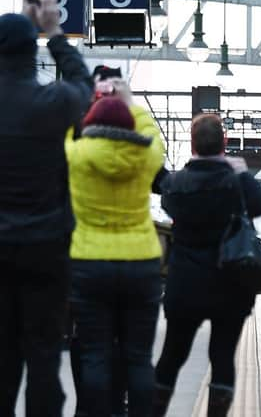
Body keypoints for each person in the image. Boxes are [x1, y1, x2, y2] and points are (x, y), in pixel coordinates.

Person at [0, 0, 93, 415]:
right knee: (43, 357)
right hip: (46, 251)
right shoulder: (51, 104)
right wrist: (52, 31)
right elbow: (82, 85)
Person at [153, 114, 261, 417]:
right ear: (225, 144)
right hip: (229, 286)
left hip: (184, 287)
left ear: (192, 144)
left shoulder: (176, 184)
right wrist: (243, 173)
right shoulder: (234, 182)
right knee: (222, 357)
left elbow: (162, 191)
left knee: (171, 357)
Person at [65, 91, 165, 417]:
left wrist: (84, 105)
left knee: (95, 354)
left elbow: (64, 130)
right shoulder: (146, 157)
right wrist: (130, 100)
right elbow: (154, 136)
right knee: (138, 357)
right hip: (141, 264)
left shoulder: (76, 155)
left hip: (89, 263)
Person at [68, 65, 129, 417]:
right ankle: (115, 406)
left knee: (87, 335)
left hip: (83, 257)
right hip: (124, 259)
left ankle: (88, 408)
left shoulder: (75, 140)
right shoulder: (136, 143)